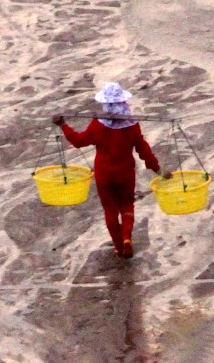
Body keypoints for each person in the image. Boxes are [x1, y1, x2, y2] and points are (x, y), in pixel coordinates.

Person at [54, 83, 160, 259]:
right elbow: (144, 150)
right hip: (125, 172)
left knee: (110, 210)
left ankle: (119, 248)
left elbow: (79, 141)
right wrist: (158, 169)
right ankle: (127, 239)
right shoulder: (133, 125)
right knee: (127, 204)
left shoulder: (98, 125)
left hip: (104, 174)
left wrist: (63, 125)